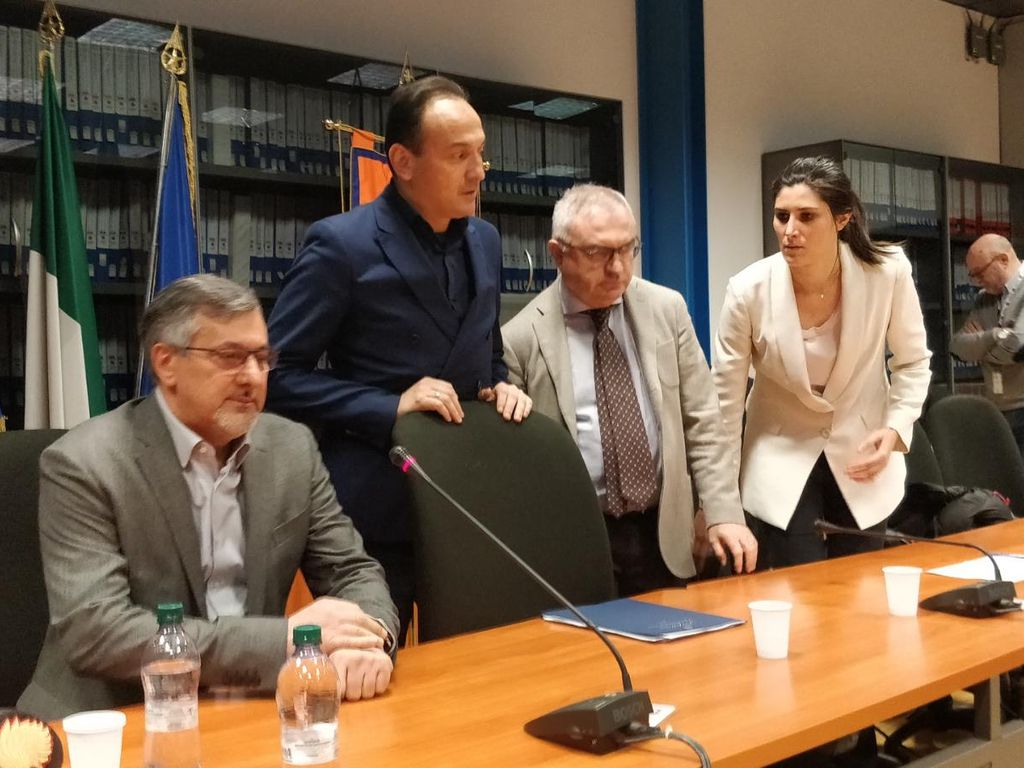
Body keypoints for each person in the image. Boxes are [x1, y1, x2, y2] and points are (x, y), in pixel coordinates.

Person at [18, 275, 398, 721]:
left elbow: (352, 570)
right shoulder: (84, 463)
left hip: (253, 709)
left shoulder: (291, 448)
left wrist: (365, 639)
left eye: (262, 358)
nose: (253, 377)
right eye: (230, 357)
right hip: (118, 716)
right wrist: (283, 641)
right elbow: (97, 632)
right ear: (166, 363)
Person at [266, 76, 531, 640]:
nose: (478, 172)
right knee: (374, 664)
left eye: (480, 154)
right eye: (459, 156)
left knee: (479, 662)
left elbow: (486, 352)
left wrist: (501, 384)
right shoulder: (341, 245)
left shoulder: (486, 239)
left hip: (468, 497)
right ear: (403, 162)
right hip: (375, 505)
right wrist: (389, 406)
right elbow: (275, 378)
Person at [502, 184, 756, 595]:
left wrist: (722, 511)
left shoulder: (667, 310)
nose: (618, 268)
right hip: (577, 538)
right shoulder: (520, 339)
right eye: (598, 253)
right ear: (558, 254)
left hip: (662, 531)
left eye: (628, 249)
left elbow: (703, 421)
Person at [713, 156, 932, 569]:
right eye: (782, 216)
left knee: (860, 587)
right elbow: (725, 402)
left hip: (861, 455)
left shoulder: (887, 272)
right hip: (778, 458)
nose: (790, 230)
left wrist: (895, 429)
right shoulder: (747, 290)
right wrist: (718, 502)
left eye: (807, 216)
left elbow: (913, 362)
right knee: (799, 589)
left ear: (842, 219)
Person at [950, 233, 1024, 455]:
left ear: (1003, 260)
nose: (976, 281)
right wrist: (995, 336)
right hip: (998, 408)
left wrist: (980, 346)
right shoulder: (984, 298)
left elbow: (1016, 348)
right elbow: (957, 348)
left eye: (980, 273)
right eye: (972, 275)